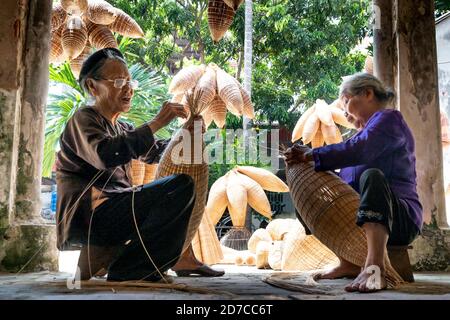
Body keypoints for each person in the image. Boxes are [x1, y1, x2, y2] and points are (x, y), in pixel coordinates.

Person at [55, 48, 222, 282]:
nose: (128, 88)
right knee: (178, 186)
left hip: (115, 212)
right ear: (93, 87)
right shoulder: (83, 119)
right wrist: (157, 122)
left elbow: (155, 153)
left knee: (182, 187)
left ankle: (135, 260)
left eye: (129, 81)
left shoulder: (121, 128)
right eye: (119, 81)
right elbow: (105, 154)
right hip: (93, 217)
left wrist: (187, 137)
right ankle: (131, 268)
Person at [284, 73, 423, 293]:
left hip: (400, 219)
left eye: (346, 102)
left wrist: (312, 154)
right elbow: (342, 185)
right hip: (361, 222)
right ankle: (347, 262)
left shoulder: (389, 120)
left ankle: (374, 266)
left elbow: (360, 149)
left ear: (368, 93)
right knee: (309, 189)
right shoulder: (360, 137)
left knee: (373, 177)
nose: (346, 115)